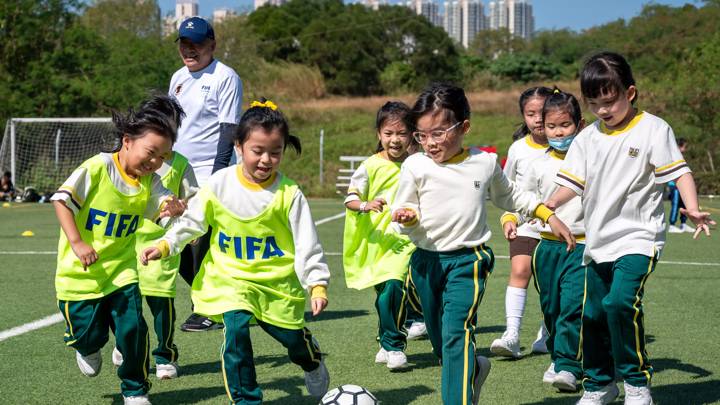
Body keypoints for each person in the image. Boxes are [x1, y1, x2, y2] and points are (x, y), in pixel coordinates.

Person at [546, 51, 715, 405]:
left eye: (610, 101)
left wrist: (693, 208)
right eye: (595, 104)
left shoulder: (654, 129)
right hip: (598, 241)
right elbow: (572, 182)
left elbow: (680, 171)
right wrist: (549, 204)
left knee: (621, 303)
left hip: (639, 237)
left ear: (630, 93)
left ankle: (637, 384)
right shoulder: (587, 138)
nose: (604, 110)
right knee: (592, 315)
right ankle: (599, 385)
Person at [391, 83, 575, 405]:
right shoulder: (414, 165)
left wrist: (548, 214)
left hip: (468, 261)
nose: (430, 144)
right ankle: (473, 368)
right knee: (441, 342)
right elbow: (405, 207)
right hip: (425, 262)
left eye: (438, 133)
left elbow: (512, 196)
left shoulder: (484, 163)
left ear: (464, 127)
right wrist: (407, 217)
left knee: (456, 335)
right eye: (422, 135)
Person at [141, 100, 331, 403]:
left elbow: (308, 243)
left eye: (275, 152)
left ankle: (310, 359)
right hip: (230, 279)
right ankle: (246, 399)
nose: (266, 160)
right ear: (239, 147)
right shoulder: (219, 184)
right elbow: (192, 222)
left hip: (275, 284)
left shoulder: (289, 194)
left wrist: (317, 284)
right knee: (235, 331)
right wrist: (166, 244)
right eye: (258, 151)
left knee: (292, 338)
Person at [51, 96, 187, 405]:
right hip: (79, 276)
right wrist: (78, 243)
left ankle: (134, 389)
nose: (154, 163)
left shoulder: (150, 181)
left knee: (133, 330)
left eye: (162, 157)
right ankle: (86, 347)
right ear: (127, 141)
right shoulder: (97, 168)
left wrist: (173, 207)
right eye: (150, 153)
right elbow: (61, 201)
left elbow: (163, 202)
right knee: (89, 336)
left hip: (122, 272)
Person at [503, 88, 586, 391]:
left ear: (581, 124)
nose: (558, 132)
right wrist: (511, 219)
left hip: (582, 245)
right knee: (551, 308)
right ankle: (558, 354)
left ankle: (567, 365)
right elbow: (521, 200)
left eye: (565, 125)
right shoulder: (537, 164)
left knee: (571, 306)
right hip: (546, 245)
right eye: (552, 126)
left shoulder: (591, 159)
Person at [169, 16, 243, 332]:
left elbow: (229, 128)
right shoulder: (177, 78)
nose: (190, 49)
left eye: (197, 43)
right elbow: (170, 125)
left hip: (209, 171)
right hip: (176, 171)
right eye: (185, 43)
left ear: (212, 44)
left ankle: (210, 308)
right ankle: (213, 302)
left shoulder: (225, 77)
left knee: (208, 241)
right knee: (176, 240)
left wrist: (217, 175)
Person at [342, 101, 417, 370]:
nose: (395, 140)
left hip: (407, 241)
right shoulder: (370, 166)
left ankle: (395, 345)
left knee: (396, 286)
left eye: (401, 134)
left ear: (412, 135)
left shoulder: (417, 164)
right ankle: (386, 340)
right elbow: (351, 198)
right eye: (389, 133)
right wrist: (366, 204)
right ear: (379, 134)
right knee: (386, 293)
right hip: (377, 243)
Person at [112, 148, 199, 379]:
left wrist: (184, 213)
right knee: (127, 302)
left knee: (161, 300)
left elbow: (193, 200)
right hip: (127, 240)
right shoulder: (123, 161)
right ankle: (123, 345)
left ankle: (165, 357)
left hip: (162, 241)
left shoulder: (181, 164)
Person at [491, 86, 554, 359]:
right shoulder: (518, 149)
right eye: (531, 114)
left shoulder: (572, 146)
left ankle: (547, 333)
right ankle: (512, 334)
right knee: (519, 270)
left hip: (558, 227)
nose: (538, 119)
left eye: (543, 113)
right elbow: (508, 190)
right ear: (523, 116)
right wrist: (508, 217)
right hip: (527, 224)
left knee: (552, 285)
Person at [667, 138, 692, 233]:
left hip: (683, 187)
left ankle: (683, 224)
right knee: (675, 205)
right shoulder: (673, 157)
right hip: (675, 186)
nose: (685, 149)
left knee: (684, 205)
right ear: (678, 146)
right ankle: (672, 226)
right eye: (684, 147)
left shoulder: (682, 157)